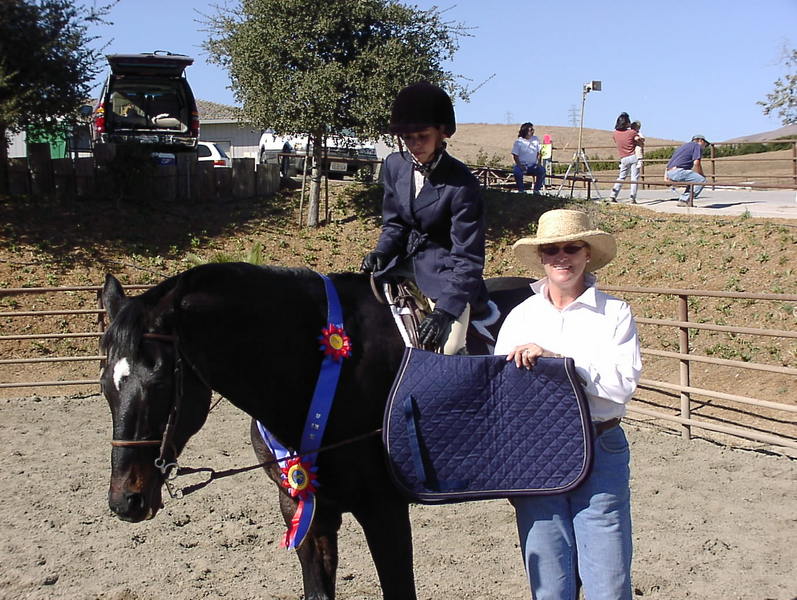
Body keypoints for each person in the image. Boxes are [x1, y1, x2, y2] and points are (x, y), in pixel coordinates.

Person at [494, 209, 642, 600]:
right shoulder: (520, 317)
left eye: (572, 247)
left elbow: (621, 386)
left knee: (608, 581)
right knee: (549, 581)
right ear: (541, 257)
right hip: (535, 451)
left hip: (599, 443)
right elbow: (501, 391)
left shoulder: (615, 313)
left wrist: (559, 364)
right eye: (552, 249)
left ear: (587, 253)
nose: (562, 257)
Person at [360, 81, 490, 354]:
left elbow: (468, 258)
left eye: (423, 136)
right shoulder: (394, 165)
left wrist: (445, 311)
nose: (415, 145)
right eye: (408, 138)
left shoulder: (462, 184)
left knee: (450, 347)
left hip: (445, 275)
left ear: (442, 132)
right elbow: (395, 223)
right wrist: (382, 252)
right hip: (399, 265)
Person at [666, 134, 709, 207]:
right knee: (702, 180)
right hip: (678, 172)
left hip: (670, 172)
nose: (704, 147)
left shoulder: (683, 146)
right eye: (705, 144)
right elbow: (696, 163)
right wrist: (702, 175)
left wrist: (666, 178)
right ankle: (685, 200)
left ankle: (683, 199)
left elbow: (669, 164)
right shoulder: (697, 146)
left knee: (692, 179)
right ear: (701, 141)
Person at [609, 112, 639, 204]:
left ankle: (613, 195)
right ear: (626, 123)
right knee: (634, 178)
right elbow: (639, 140)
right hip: (633, 156)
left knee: (621, 177)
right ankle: (632, 198)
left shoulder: (615, 134)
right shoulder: (632, 132)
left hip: (623, 157)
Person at [511, 122, 546, 194]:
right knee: (517, 172)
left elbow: (539, 152)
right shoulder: (519, 142)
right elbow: (515, 155)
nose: (533, 131)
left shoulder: (535, 139)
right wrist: (520, 165)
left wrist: (538, 163)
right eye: (531, 130)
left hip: (533, 165)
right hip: (522, 164)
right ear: (525, 131)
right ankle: (521, 190)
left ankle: (536, 190)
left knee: (542, 171)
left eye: (533, 129)